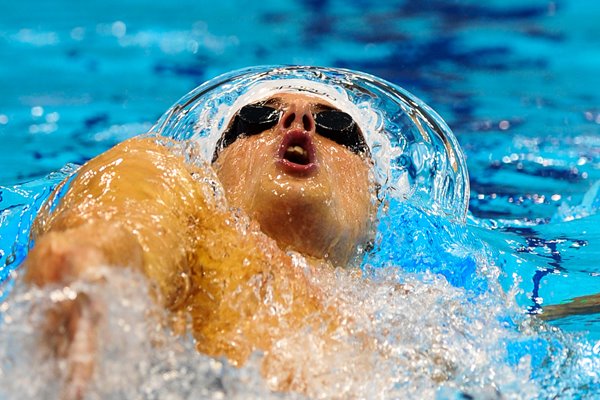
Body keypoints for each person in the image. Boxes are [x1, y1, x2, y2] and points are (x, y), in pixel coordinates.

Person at [22, 91, 377, 398]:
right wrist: (92, 271)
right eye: (254, 119)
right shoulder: (179, 200)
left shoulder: (410, 310)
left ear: (375, 205)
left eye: (338, 125)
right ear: (213, 175)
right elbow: (121, 223)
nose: (296, 119)